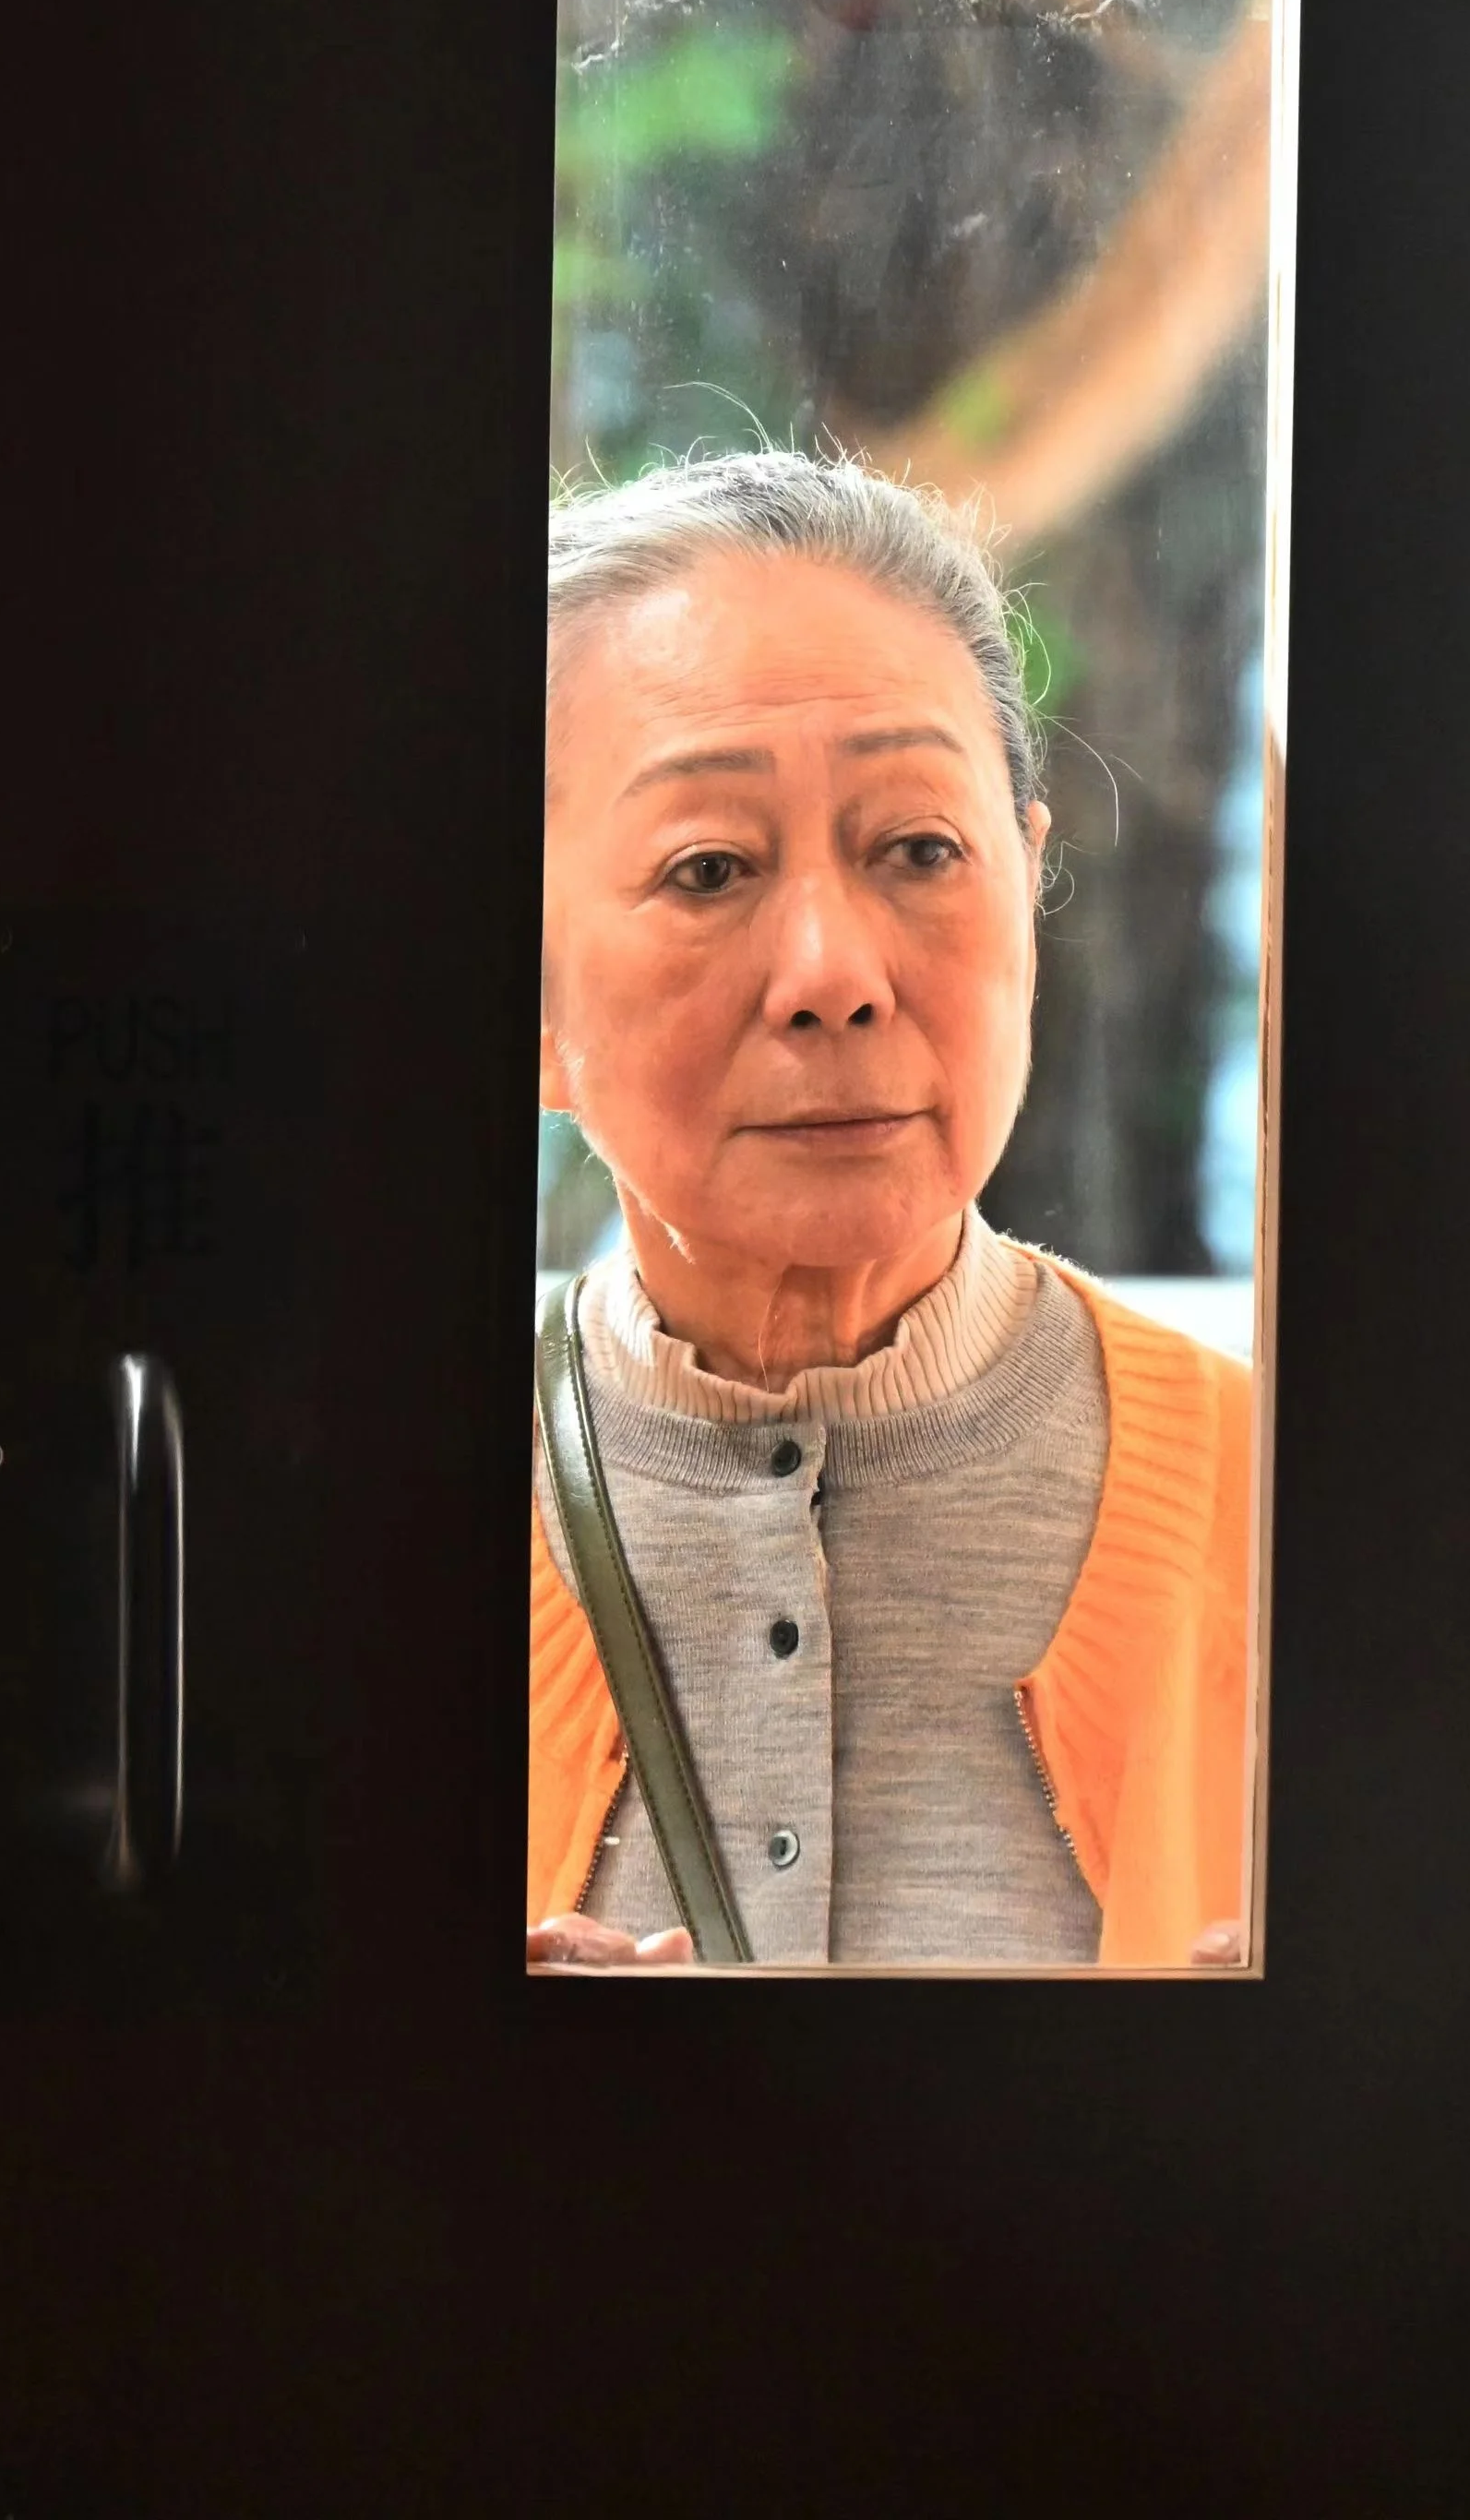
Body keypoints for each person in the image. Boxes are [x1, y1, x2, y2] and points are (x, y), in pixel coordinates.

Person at [528, 448, 1254, 1971]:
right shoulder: (353, 1519)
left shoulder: (1275, 1510)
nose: (834, 976)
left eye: (920, 850)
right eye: (708, 869)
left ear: (1028, 889)